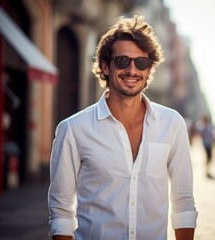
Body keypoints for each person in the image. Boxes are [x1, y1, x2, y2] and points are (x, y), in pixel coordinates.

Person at [48, 15, 197, 240]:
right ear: (105, 66)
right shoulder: (73, 129)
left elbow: (183, 202)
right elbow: (61, 212)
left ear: (148, 70)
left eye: (141, 63)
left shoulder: (172, 124)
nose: (131, 70)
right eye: (122, 61)